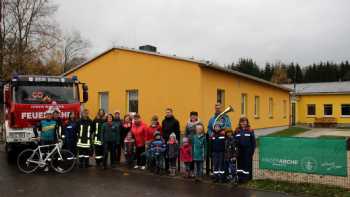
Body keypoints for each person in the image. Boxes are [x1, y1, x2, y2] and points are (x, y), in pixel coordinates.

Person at [234, 117, 256, 182]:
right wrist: (235, 150)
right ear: (240, 123)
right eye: (242, 121)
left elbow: (253, 142)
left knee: (247, 164)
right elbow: (234, 141)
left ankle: (247, 178)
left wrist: (252, 151)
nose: (243, 123)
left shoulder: (250, 130)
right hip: (239, 151)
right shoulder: (237, 131)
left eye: (245, 121)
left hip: (247, 151)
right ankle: (240, 177)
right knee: (240, 164)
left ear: (247, 122)